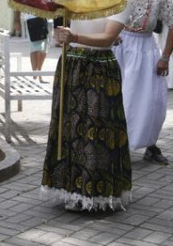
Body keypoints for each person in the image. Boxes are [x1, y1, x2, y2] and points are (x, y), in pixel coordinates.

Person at [43, 13, 131, 212]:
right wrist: (62, 32)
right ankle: (71, 188)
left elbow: (108, 37)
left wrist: (74, 37)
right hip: (71, 64)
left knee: (98, 128)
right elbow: (64, 24)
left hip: (99, 68)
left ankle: (96, 192)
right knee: (70, 127)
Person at [114, 0, 173, 165]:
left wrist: (165, 56)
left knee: (151, 100)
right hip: (118, 47)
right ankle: (117, 144)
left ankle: (150, 145)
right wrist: (110, 32)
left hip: (145, 49)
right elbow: (102, 14)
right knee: (120, 98)